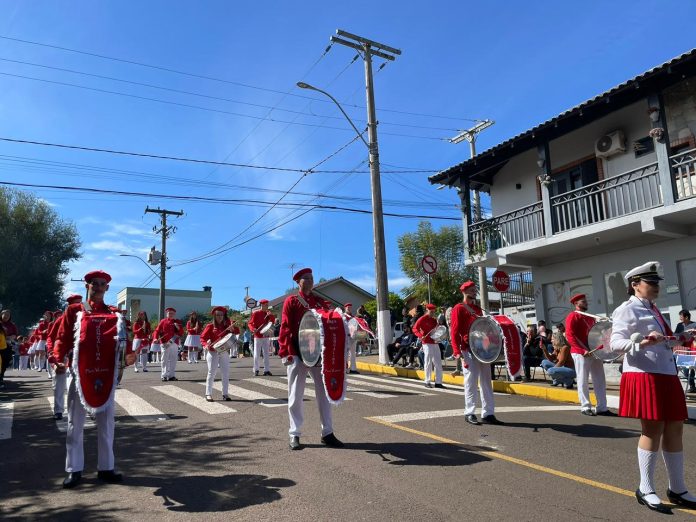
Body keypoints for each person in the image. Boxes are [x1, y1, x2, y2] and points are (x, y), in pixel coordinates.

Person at [610, 261, 696, 513]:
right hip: (644, 374)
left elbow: (663, 342)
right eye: (651, 283)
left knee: (675, 428)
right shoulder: (627, 309)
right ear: (635, 285)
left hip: (666, 373)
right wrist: (644, 343)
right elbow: (615, 343)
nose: (656, 287)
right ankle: (645, 488)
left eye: (657, 283)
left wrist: (681, 338)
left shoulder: (654, 309)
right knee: (652, 429)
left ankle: (677, 488)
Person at [52, 269, 136, 489]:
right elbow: (62, 337)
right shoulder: (74, 310)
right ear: (87, 286)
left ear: (107, 288)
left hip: (105, 375)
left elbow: (124, 340)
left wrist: (129, 354)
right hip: (80, 374)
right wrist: (57, 358)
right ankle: (74, 469)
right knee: (75, 423)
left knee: (107, 423)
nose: (98, 287)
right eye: (94, 283)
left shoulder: (115, 313)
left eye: (102, 284)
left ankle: (106, 468)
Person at [279, 267, 343, 451]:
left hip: (318, 353)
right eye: (306, 278)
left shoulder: (319, 302)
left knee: (324, 393)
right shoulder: (292, 301)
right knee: (295, 395)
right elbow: (285, 326)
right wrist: (285, 351)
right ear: (298, 282)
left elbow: (330, 322)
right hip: (297, 351)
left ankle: (327, 433)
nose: (310, 281)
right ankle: (294, 434)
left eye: (311, 278)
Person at [450, 280, 502, 426]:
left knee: (486, 381)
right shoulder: (459, 308)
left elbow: (484, 328)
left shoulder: (478, 309)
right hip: (468, 349)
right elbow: (454, 332)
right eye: (471, 290)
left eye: (475, 290)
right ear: (464, 291)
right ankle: (469, 412)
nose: (474, 292)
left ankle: (488, 413)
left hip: (482, 350)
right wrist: (456, 351)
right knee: (471, 381)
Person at [565, 293, 612, 416]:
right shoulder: (573, 316)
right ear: (576, 304)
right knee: (583, 379)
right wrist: (582, 350)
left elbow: (595, 335)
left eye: (585, 301)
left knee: (600, 379)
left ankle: (602, 407)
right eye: (583, 301)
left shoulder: (590, 318)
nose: (586, 303)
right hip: (581, 353)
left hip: (594, 351)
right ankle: (585, 406)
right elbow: (569, 335)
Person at [200, 306, 235, 402]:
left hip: (224, 352)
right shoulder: (210, 326)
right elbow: (202, 338)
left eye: (221, 315)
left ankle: (225, 394)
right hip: (213, 352)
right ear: (214, 316)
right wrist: (206, 345)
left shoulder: (226, 326)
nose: (220, 317)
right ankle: (208, 394)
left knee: (225, 373)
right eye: (218, 315)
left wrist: (232, 330)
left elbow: (234, 335)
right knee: (212, 372)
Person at [413, 304, 445, 389]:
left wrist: (439, 325)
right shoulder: (422, 319)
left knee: (438, 362)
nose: (432, 313)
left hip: (435, 342)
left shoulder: (434, 320)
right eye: (431, 312)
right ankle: (427, 381)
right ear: (427, 310)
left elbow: (437, 330)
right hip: (426, 343)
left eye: (434, 312)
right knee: (428, 362)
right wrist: (420, 336)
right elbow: (415, 328)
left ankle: (438, 382)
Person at [153, 307, 183, 382]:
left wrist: (178, 327)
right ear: (166, 314)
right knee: (164, 359)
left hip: (174, 342)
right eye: (169, 313)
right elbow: (157, 331)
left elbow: (181, 333)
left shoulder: (177, 321)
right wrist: (155, 338)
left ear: (174, 314)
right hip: (165, 342)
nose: (171, 314)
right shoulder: (163, 321)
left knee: (173, 359)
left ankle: (171, 375)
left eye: (172, 313)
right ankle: (164, 375)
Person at [248, 299, 275, 376]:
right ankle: (256, 370)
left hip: (265, 335)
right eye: (266, 305)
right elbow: (250, 323)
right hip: (257, 336)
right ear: (262, 305)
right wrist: (253, 329)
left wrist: (271, 315)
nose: (267, 306)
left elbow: (272, 322)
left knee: (266, 354)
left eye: (267, 305)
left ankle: (266, 370)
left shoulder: (268, 313)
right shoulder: (256, 313)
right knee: (256, 354)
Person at [674, 309, 696, 393]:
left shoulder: (694, 325)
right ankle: (692, 386)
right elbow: (676, 335)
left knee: (691, 368)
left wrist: (693, 333)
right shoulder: (679, 325)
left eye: (681, 316)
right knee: (686, 369)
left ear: (686, 317)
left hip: (693, 349)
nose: (680, 318)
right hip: (684, 350)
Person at [343, 303, 360, 374]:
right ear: (345, 308)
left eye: (350, 307)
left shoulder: (353, 317)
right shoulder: (343, 316)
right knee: (346, 354)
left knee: (353, 353)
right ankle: (345, 368)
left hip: (353, 337)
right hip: (346, 337)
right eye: (348, 307)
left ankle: (353, 369)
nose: (349, 309)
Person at [1, 310, 18, 376]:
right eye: (5, 314)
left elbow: (15, 335)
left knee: (6, 359)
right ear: (1, 315)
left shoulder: (12, 325)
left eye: (8, 315)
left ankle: (2, 373)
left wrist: (9, 337)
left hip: (7, 344)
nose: (6, 316)